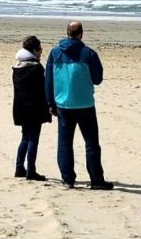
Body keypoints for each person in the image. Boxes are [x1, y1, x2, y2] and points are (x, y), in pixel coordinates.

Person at [45, 20, 111, 190]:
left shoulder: (55, 53)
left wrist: (50, 102)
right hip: (84, 104)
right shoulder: (88, 53)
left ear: (68, 33)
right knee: (91, 143)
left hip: (64, 104)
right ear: (81, 34)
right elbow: (98, 79)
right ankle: (96, 179)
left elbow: (49, 81)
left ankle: (68, 179)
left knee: (65, 143)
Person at [11, 35, 49, 181]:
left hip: (20, 107)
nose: (41, 52)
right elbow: (42, 89)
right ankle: (31, 170)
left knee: (25, 138)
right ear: (34, 50)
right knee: (33, 139)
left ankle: (19, 167)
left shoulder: (17, 67)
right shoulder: (36, 68)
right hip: (34, 108)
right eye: (39, 49)